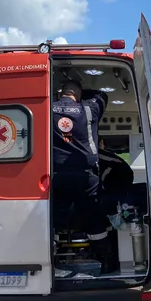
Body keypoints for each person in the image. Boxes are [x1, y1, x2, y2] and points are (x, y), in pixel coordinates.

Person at [52, 80, 108, 236]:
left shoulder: (48, 109)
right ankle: (101, 252)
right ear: (77, 94)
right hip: (86, 176)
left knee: (57, 215)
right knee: (93, 215)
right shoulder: (88, 109)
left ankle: (58, 239)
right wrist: (85, 94)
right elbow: (102, 96)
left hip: (56, 176)